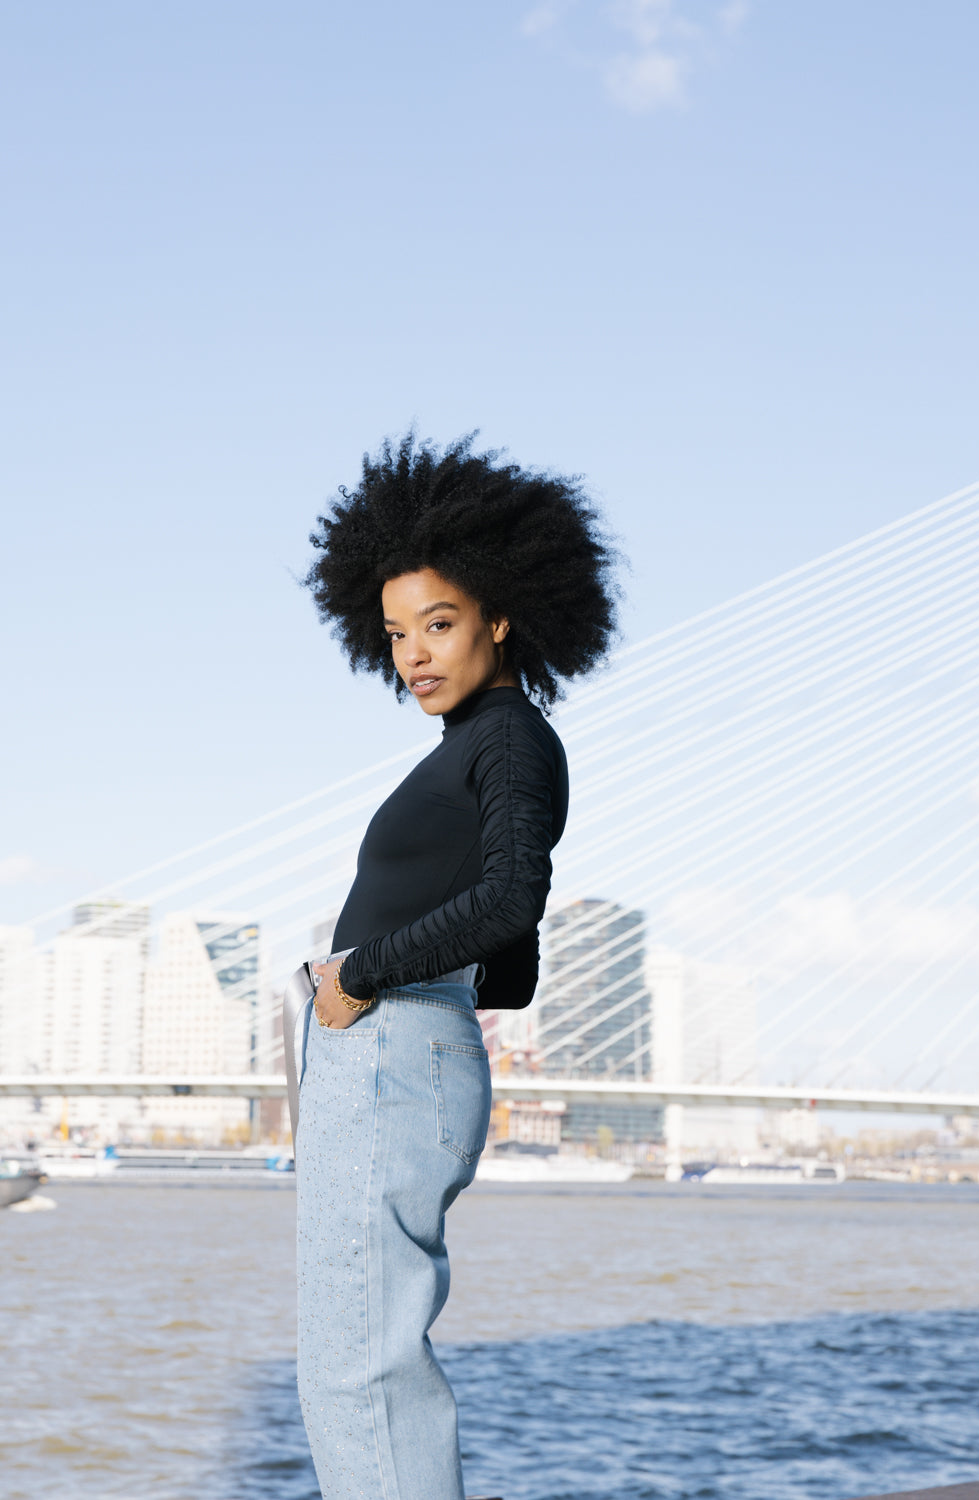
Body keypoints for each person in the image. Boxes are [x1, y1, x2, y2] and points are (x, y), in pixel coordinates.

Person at [296, 431, 619, 1500]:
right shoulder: (470, 746)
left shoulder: (511, 740)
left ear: (500, 614)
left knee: (361, 1363)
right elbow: (513, 967)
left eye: (438, 624)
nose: (416, 654)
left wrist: (363, 974)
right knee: (352, 1349)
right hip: (390, 1048)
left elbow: (513, 901)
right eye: (396, 634)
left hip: (389, 1045)